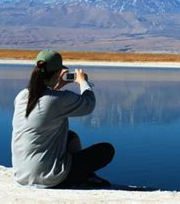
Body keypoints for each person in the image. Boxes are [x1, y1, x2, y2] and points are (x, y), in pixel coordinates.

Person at [11, 49, 115, 188]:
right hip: (49, 178)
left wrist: (56, 86)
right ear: (57, 73)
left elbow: (46, 107)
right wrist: (83, 82)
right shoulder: (58, 99)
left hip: (22, 175)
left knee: (70, 136)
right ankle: (83, 177)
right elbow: (89, 104)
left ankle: (79, 174)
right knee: (106, 150)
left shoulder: (22, 96)